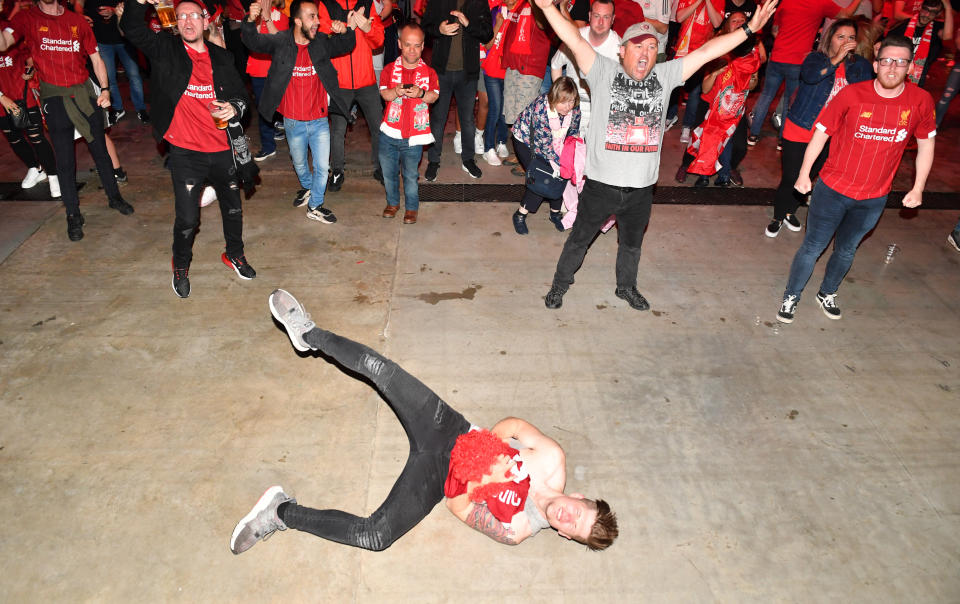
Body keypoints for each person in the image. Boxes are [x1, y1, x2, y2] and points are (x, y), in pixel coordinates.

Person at [230, 289, 619, 554]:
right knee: (379, 369)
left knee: (376, 536)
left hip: (438, 478)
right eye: (578, 512)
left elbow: (457, 507)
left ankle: (279, 513)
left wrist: (480, 480)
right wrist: (486, 452)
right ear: (580, 499)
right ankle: (309, 333)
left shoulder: (517, 528)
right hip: (453, 430)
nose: (567, 517)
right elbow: (514, 426)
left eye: (574, 528)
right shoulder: (552, 459)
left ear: (568, 537)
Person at [538, 1, 778, 311]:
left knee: (632, 245)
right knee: (579, 240)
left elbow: (707, 53)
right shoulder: (601, 70)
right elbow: (572, 39)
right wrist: (546, 7)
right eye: (637, 46)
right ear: (621, 51)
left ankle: (626, 288)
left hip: (641, 189)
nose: (644, 53)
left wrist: (748, 29)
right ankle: (559, 286)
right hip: (601, 185)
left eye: (651, 47)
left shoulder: (666, 76)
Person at [775, 35, 936, 324]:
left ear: (910, 68)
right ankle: (792, 295)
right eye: (886, 61)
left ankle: (828, 292)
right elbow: (821, 133)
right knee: (813, 247)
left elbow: (926, 143)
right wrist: (803, 174)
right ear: (875, 65)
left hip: (874, 197)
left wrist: (918, 187)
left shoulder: (921, 101)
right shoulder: (851, 95)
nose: (892, 68)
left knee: (847, 250)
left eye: (900, 62)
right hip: (833, 190)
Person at [121, 0, 255, 298]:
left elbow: (240, 95)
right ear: (175, 22)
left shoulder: (222, 57)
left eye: (194, 15)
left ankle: (234, 253)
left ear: (206, 22)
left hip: (222, 147)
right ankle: (180, 265)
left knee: (232, 209)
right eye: (181, 16)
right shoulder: (165, 51)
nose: (187, 21)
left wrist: (234, 107)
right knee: (187, 220)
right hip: (186, 152)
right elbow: (131, 28)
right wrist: (139, 3)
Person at [1, 0, 135, 242]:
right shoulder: (26, 19)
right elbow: (4, 44)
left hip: (85, 95)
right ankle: (73, 214)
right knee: (64, 161)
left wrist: (105, 90)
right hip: (55, 99)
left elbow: (95, 57)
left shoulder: (76, 20)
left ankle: (114, 197)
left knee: (100, 150)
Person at [243, 0, 356, 224]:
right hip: (292, 120)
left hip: (319, 119)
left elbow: (345, 45)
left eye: (317, 16)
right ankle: (308, 188)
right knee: (300, 164)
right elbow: (253, 41)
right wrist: (249, 20)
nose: (318, 21)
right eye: (312, 17)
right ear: (297, 20)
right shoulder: (281, 42)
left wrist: (346, 30)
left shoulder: (321, 42)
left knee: (323, 167)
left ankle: (315, 205)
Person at [765, 18, 872, 237]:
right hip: (801, 127)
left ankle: (790, 211)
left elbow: (868, 92)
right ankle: (778, 215)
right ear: (829, 38)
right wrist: (836, 59)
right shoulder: (815, 59)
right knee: (791, 176)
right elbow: (811, 77)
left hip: (831, 134)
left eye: (850, 38)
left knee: (810, 175)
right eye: (840, 37)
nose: (845, 42)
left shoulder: (859, 66)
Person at [747, 0, 859, 148]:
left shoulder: (786, 2)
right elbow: (847, 14)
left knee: (766, 95)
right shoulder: (821, 4)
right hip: (798, 61)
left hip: (778, 56)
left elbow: (775, 30)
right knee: (790, 101)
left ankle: (753, 135)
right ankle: (782, 141)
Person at [677, 11, 762, 187]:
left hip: (732, 108)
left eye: (742, 21)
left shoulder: (750, 54)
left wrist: (752, 77)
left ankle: (728, 169)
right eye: (734, 21)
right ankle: (687, 165)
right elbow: (705, 88)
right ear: (726, 26)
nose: (739, 23)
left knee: (738, 146)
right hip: (709, 104)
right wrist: (716, 73)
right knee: (700, 138)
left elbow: (752, 86)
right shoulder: (717, 49)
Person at [421, 0, 492, 181]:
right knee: (438, 119)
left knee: (467, 119)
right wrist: (439, 30)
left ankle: (468, 159)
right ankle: (434, 161)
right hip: (441, 71)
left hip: (468, 72)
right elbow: (425, 27)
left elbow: (487, 34)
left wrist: (469, 24)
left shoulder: (479, 2)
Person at [321, 0, 385, 190]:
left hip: (366, 79)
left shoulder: (367, 2)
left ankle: (382, 167)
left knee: (378, 127)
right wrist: (341, 30)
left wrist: (367, 28)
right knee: (337, 130)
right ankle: (337, 170)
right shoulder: (327, 4)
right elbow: (320, 40)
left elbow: (379, 41)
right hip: (340, 82)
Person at [378, 22, 439, 224]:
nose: (412, 50)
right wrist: (396, 91)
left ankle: (412, 208)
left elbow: (433, 97)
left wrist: (421, 93)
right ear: (399, 44)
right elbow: (384, 94)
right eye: (408, 44)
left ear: (423, 46)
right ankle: (393, 203)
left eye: (417, 45)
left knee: (411, 176)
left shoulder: (429, 73)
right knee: (389, 174)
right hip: (389, 134)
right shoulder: (388, 69)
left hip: (415, 137)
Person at [510, 77, 581, 235]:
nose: (568, 107)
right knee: (543, 176)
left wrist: (571, 156)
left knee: (560, 174)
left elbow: (573, 133)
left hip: (555, 144)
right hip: (526, 141)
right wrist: (563, 165)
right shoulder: (541, 109)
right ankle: (520, 214)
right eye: (564, 102)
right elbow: (544, 145)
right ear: (554, 98)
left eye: (571, 101)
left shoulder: (574, 109)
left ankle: (555, 212)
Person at [550, 0, 621, 131]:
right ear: (589, 16)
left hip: (600, 108)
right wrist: (562, 97)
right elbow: (555, 64)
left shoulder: (618, 47)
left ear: (613, 19)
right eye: (596, 16)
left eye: (606, 17)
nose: (600, 22)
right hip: (572, 105)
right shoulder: (576, 37)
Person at [0, 36, 58, 194]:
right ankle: (35, 168)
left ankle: (54, 175)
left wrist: (30, 69)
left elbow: (31, 57)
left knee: (36, 137)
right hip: (1, 102)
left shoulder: (9, 30)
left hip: (22, 96)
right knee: (14, 139)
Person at [76, 0, 149, 124]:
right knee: (109, 78)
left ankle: (140, 108)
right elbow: (78, 4)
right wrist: (79, 15)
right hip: (101, 38)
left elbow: (134, 5)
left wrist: (114, 11)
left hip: (124, 38)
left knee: (134, 76)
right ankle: (117, 108)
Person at [244, 0, 289, 162]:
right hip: (258, 69)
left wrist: (267, 17)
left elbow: (281, 42)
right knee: (263, 110)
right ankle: (268, 147)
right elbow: (252, 41)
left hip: (278, 70)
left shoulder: (281, 17)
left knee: (285, 108)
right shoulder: (250, 16)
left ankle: (295, 144)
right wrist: (257, 19)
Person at [887, 0, 953, 86]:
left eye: (932, 12)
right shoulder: (902, 25)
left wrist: (948, 7)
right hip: (896, 69)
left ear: (937, 14)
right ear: (920, 8)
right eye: (925, 9)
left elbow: (947, 36)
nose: (927, 15)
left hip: (918, 74)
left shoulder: (936, 28)